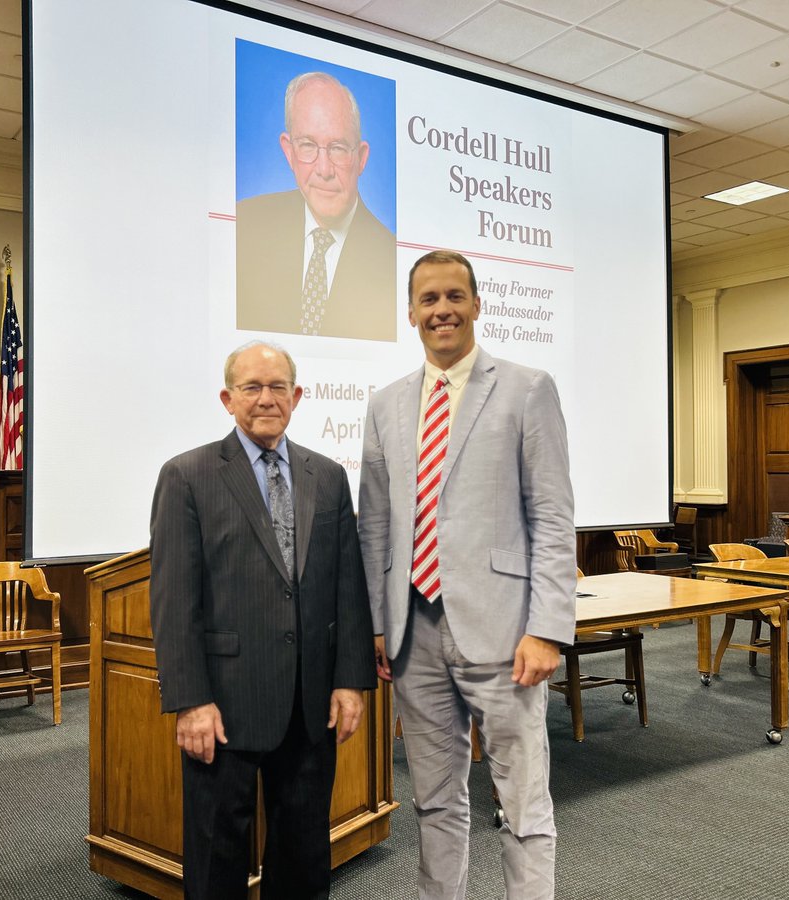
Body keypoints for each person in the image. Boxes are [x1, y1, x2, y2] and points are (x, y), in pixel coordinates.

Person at [357, 250, 576, 899]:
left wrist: (548, 628)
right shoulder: (384, 404)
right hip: (411, 632)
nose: (442, 309)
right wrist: (376, 623)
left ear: (478, 304)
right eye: (429, 299)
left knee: (523, 804)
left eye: (454, 296)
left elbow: (554, 518)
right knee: (435, 801)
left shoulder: (526, 388)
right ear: (411, 313)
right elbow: (375, 524)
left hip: (506, 632)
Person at [149, 340, 375, 899]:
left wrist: (350, 680)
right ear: (228, 399)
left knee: (303, 858)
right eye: (251, 387)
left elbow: (348, 585)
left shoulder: (326, 476)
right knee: (217, 857)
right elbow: (174, 600)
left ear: (297, 397)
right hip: (222, 705)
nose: (265, 398)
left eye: (277, 387)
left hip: (309, 702)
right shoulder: (188, 475)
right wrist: (189, 700)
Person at [237, 71, 396, 341]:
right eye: (308, 145)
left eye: (337, 148)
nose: (324, 170)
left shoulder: (394, 260)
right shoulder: (242, 226)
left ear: (361, 158)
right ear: (289, 152)